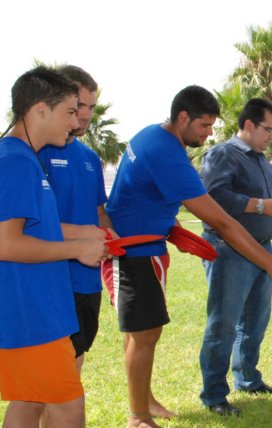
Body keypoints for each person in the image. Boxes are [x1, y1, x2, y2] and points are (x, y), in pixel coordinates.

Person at [104, 86, 272, 427]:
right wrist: (271, 264)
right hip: (132, 251)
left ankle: (144, 400)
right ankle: (138, 416)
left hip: (147, 248)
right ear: (183, 117)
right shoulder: (167, 152)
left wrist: (171, 225)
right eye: (204, 125)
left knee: (141, 332)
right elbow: (222, 221)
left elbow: (142, 193)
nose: (208, 134)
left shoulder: (154, 136)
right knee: (145, 333)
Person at [0, 66, 107, 428]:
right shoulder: (15, 161)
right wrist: (75, 250)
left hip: (38, 308)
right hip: (33, 313)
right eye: (70, 111)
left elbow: (35, 227)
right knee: (68, 407)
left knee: (28, 403)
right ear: (40, 110)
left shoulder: (23, 158)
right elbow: (6, 243)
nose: (76, 122)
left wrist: (82, 233)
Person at [198, 98, 272, 416]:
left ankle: (248, 379)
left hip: (262, 247)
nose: (271, 137)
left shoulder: (263, 161)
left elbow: (261, 204)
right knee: (224, 324)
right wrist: (262, 205)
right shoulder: (223, 153)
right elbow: (213, 197)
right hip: (229, 250)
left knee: (255, 321)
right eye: (268, 129)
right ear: (249, 124)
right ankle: (214, 395)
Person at [37, 65, 116, 375]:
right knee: (47, 374)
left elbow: (99, 213)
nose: (85, 115)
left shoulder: (90, 158)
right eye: (79, 106)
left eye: (91, 107)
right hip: (51, 278)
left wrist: (113, 241)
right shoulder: (35, 153)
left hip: (88, 280)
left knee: (75, 361)